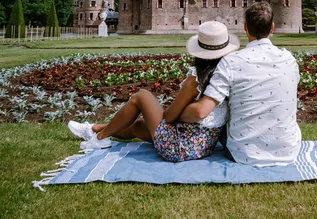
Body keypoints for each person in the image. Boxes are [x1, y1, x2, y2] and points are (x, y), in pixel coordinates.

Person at [67, 21, 240, 163]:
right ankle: (94, 129)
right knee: (138, 127)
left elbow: (169, 117)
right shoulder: (227, 76)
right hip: (203, 146)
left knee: (141, 95)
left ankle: (99, 139)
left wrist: (173, 111)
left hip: (179, 146)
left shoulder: (195, 80)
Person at [179, 2, 301, 166]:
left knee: (219, 114)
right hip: (287, 150)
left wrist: (176, 113)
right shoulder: (289, 60)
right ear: (272, 28)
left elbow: (201, 112)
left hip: (243, 153)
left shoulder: (231, 62)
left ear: (245, 27)